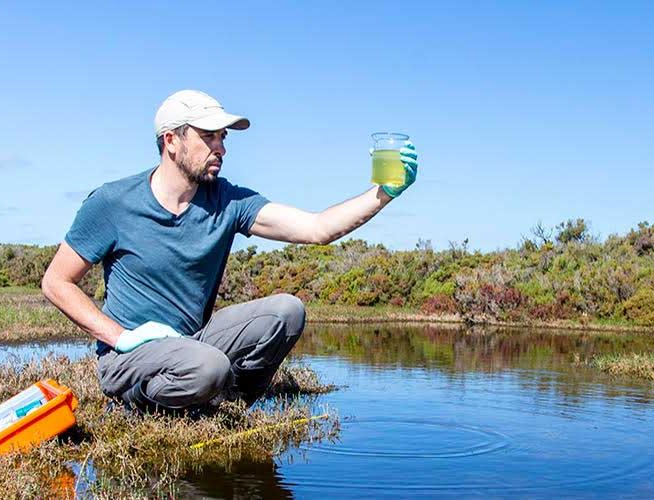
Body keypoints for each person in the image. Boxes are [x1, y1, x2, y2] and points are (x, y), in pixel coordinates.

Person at [40, 90, 418, 413]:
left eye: (223, 137)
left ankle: (229, 401)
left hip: (194, 342)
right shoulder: (113, 203)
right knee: (207, 367)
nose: (220, 148)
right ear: (171, 140)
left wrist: (382, 194)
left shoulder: (228, 201)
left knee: (287, 312)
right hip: (129, 356)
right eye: (209, 137)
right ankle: (141, 401)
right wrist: (120, 337)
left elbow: (316, 228)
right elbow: (57, 282)